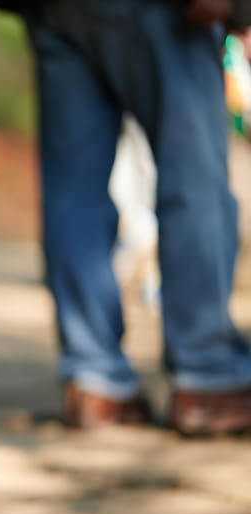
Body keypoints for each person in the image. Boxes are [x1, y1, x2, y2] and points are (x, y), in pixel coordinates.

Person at [17, 0, 251, 435]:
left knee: (73, 191)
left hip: (53, 12)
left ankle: (94, 380)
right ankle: (208, 377)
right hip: (160, 9)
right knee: (193, 172)